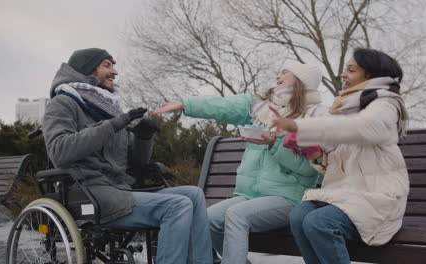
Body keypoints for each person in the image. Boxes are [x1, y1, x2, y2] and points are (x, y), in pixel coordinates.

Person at [42, 48, 213, 264]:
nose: (115, 71)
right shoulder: (63, 103)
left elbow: (135, 163)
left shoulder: (107, 106)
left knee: (194, 194)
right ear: (87, 70)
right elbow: (59, 151)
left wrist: (143, 137)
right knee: (177, 206)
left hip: (119, 189)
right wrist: (113, 125)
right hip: (90, 193)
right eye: (107, 65)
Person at [153, 62, 323, 264]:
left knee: (236, 215)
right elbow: (222, 105)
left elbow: (308, 170)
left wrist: (275, 143)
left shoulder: (313, 116)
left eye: (285, 73)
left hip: (288, 197)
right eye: (278, 73)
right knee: (206, 220)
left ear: (303, 80)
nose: (278, 76)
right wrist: (186, 104)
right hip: (250, 195)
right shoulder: (261, 107)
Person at [270, 48, 409, 264]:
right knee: (299, 215)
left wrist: (301, 126)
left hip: (377, 197)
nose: (343, 75)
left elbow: (365, 127)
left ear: (370, 76)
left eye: (351, 70)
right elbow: (337, 159)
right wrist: (315, 154)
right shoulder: (344, 108)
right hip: (344, 195)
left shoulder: (386, 105)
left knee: (319, 222)